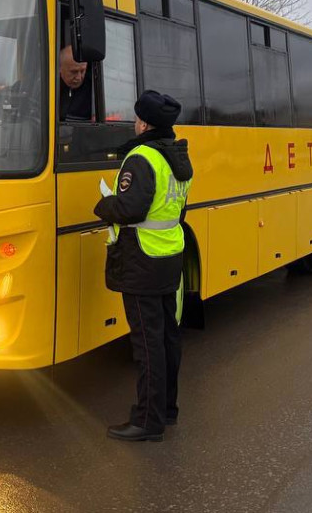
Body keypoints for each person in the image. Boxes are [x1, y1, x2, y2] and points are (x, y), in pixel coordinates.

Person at [94, 90, 193, 443]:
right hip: (169, 256)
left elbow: (131, 208)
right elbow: (177, 211)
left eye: (137, 118)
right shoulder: (177, 155)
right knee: (167, 337)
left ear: (144, 123)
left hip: (141, 259)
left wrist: (105, 205)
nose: (135, 123)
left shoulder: (142, 157)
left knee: (147, 344)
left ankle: (148, 421)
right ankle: (167, 410)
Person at [58, 44, 92, 121]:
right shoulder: (45, 87)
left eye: (83, 71)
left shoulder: (93, 92)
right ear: (59, 68)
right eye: (74, 72)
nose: (79, 77)